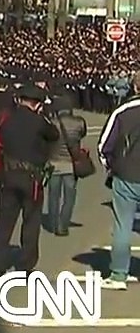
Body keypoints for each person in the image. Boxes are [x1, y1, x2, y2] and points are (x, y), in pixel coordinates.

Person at [0, 84, 58, 281]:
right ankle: (26, 265)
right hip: (31, 178)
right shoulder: (39, 121)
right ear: (37, 104)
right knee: (31, 222)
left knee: (4, 223)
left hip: (7, 176)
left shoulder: (6, 120)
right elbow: (54, 135)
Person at [97, 74, 140, 290]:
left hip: (127, 175)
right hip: (127, 173)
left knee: (123, 225)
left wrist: (112, 167)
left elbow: (104, 146)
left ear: (134, 86)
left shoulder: (123, 112)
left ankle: (119, 275)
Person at [45, 110, 87, 237]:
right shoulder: (79, 122)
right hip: (70, 164)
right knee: (69, 197)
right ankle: (63, 225)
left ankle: (52, 223)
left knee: (53, 196)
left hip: (54, 163)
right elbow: (82, 134)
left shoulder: (52, 123)